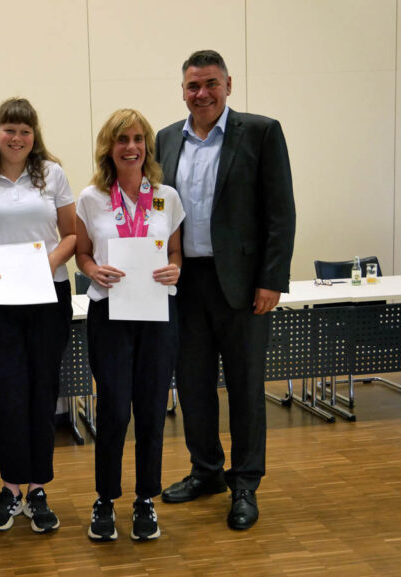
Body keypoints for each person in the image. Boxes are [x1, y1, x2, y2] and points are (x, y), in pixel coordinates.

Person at [155, 50, 296, 530]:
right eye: (193, 86)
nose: (202, 94)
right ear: (183, 90)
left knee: (245, 388)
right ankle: (206, 472)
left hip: (241, 286)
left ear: (229, 85)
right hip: (185, 283)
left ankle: (245, 484)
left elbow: (281, 212)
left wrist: (271, 279)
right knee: (193, 387)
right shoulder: (166, 139)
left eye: (211, 84)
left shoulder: (260, 132)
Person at [0, 97, 75, 533]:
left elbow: (72, 235)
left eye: (25, 130)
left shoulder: (52, 174)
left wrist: (45, 264)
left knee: (43, 392)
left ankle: (38, 487)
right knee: (7, 395)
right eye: (10, 129)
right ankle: (10, 487)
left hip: (47, 295)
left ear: (34, 134)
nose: (17, 137)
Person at [76, 109, 184, 541]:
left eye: (138, 139)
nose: (131, 147)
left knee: (152, 410)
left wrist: (176, 269)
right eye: (122, 139)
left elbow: (176, 254)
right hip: (110, 313)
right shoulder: (91, 198)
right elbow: (82, 254)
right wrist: (91, 269)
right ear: (109, 147)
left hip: (157, 313)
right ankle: (105, 498)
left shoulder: (167, 197)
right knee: (115, 409)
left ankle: (145, 500)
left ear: (147, 147)